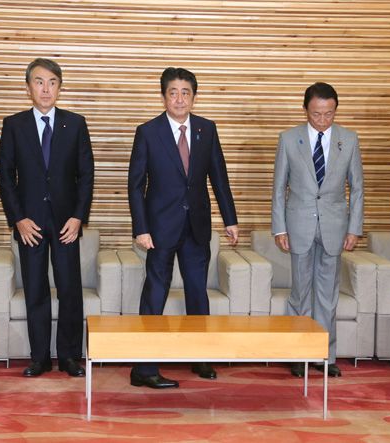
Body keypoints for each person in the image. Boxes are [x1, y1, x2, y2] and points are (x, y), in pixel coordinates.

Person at [127, 67, 239, 389]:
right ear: (164, 96)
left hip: (196, 227)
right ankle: (144, 368)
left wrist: (230, 219)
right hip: (159, 229)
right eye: (173, 92)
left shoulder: (207, 129)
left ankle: (200, 356)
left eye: (185, 92)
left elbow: (219, 177)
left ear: (194, 97)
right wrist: (141, 228)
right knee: (155, 295)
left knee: (197, 293)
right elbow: (135, 184)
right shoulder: (148, 132)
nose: (179, 99)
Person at [0, 58, 94, 377]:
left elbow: (86, 174)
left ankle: (69, 356)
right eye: (39, 82)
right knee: (35, 289)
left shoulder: (75, 123)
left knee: (69, 290)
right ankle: (39, 357)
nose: (46, 89)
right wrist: (18, 219)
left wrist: (78, 217)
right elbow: (5, 176)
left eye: (52, 82)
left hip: (67, 224)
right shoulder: (14, 125)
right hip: (30, 224)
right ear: (28, 88)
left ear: (60, 88)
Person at [271, 82, 364, 378]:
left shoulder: (349, 139)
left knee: (327, 295)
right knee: (300, 294)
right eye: (316, 114)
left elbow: (357, 188)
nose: (322, 120)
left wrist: (354, 228)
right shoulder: (289, 139)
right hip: (298, 226)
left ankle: (325, 354)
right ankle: (298, 354)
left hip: (335, 228)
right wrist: (279, 228)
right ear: (305, 110)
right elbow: (279, 188)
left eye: (329, 113)